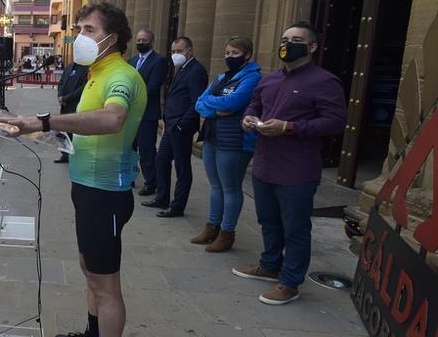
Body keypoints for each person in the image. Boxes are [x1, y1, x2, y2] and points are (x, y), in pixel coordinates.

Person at [0, 1, 145, 337]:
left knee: (106, 283)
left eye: (89, 29)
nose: (81, 36)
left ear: (113, 37)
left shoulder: (121, 77)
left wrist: (42, 121)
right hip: (87, 187)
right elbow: (80, 133)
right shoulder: (95, 73)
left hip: (106, 192)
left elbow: (112, 120)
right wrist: (33, 133)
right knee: (89, 270)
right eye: (79, 28)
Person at [233, 21, 346, 305]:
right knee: (268, 221)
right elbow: (255, 105)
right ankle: (270, 265)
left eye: (295, 39)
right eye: (284, 38)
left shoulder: (324, 81)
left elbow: (334, 121)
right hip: (264, 164)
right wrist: (249, 117)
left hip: (297, 169)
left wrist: (289, 128)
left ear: (312, 47)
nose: (287, 44)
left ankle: (290, 281)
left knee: (295, 228)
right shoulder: (269, 79)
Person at [192, 36, 262, 252]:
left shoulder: (252, 77)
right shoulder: (221, 76)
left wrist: (217, 105)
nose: (230, 57)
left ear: (247, 54)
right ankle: (212, 227)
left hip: (235, 139)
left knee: (230, 188)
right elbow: (199, 103)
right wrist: (218, 110)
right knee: (215, 185)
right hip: (213, 135)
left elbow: (234, 102)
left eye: (235, 53)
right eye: (228, 53)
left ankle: (227, 232)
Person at [143, 36, 208, 217]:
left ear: (190, 50)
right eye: (173, 52)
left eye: (179, 51)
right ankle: (162, 197)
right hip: (170, 125)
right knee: (161, 160)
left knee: (182, 167)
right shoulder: (181, 69)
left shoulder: (196, 71)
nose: (175, 55)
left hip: (180, 128)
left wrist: (181, 125)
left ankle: (177, 206)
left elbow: (197, 102)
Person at [128, 29, 169, 196]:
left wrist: (130, 94)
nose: (140, 43)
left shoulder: (159, 61)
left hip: (147, 114)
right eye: (138, 40)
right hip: (130, 114)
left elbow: (153, 87)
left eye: (144, 40)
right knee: (128, 148)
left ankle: (151, 182)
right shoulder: (132, 60)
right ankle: (128, 176)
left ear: (151, 42)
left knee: (146, 151)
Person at [54, 61, 89, 163]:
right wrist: (60, 96)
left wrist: (67, 98)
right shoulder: (69, 67)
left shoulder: (87, 69)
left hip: (75, 104)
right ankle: (65, 154)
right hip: (64, 105)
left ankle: (74, 155)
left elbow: (82, 88)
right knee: (63, 130)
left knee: (74, 130)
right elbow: (61, 83)